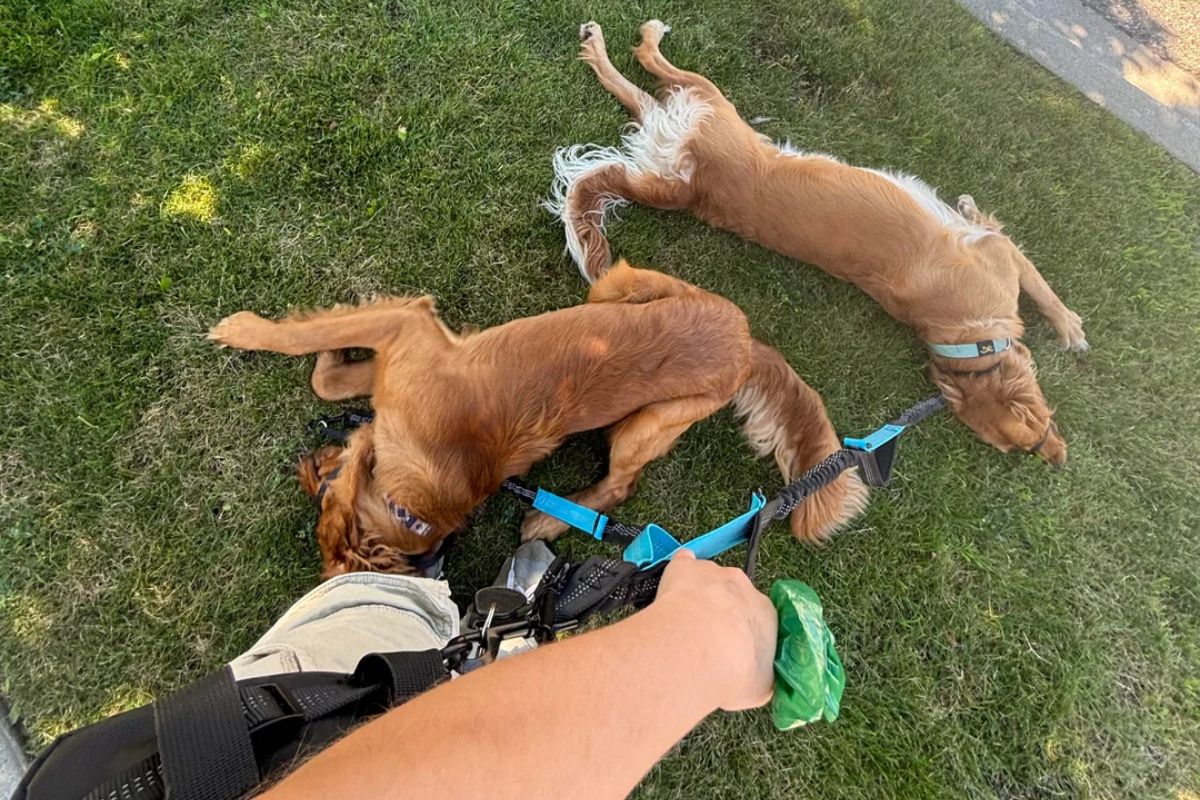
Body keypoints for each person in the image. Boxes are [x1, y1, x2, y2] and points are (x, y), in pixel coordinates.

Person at [247, 550, 777, 799]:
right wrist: (706, 644)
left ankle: (477, 636)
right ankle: (486, 641)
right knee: (401, 626)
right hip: (265, 713)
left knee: (387, 625)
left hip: (255, 726)